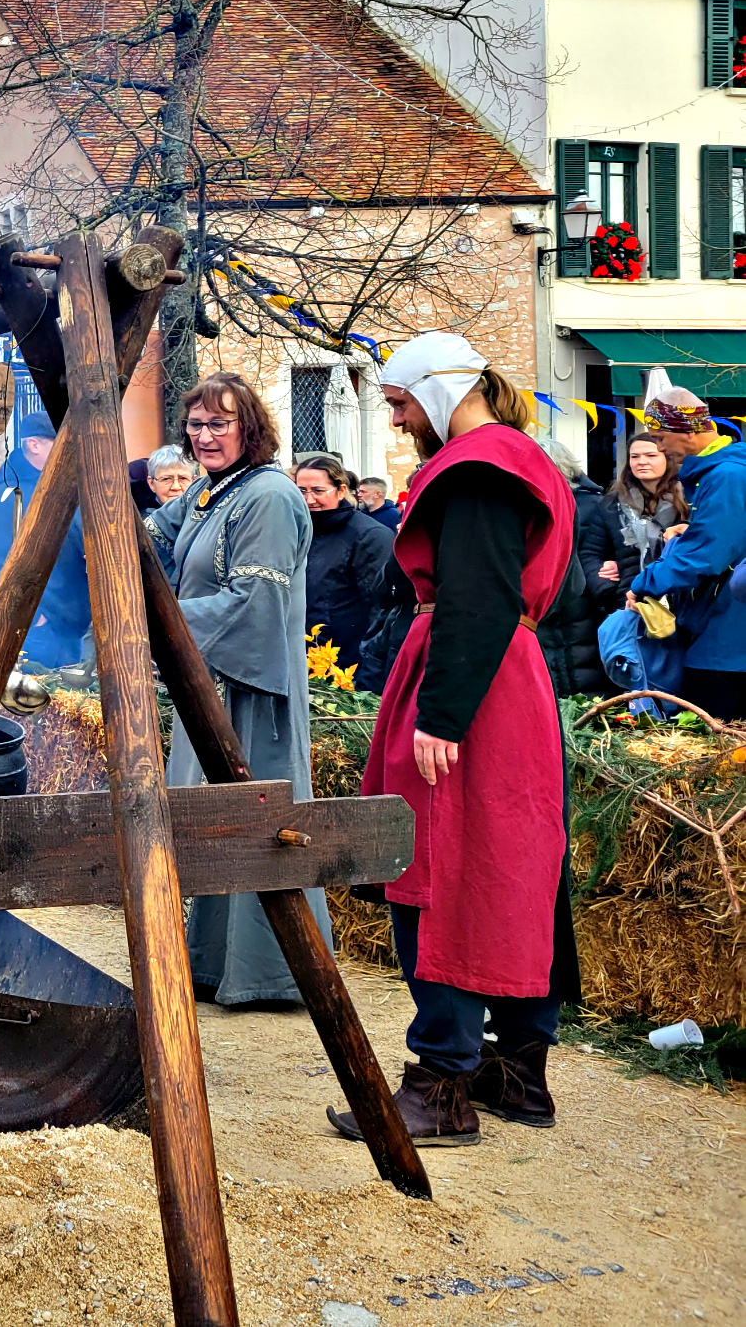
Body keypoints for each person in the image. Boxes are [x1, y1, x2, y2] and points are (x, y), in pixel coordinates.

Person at [332, 332, 575, 1146]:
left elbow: (475, 590)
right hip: (504, 680)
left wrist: (442, 712)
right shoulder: (521, 459)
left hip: (471, 682)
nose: (397, 422)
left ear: (437, 390)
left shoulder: (478, 467)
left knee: (442, 865)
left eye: (399, 403)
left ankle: (439, 1085)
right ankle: (516, 1070)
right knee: (511, 864)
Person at [152, 374, 326, 1007]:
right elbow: (155, 536)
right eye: (195, 425)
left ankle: (272, 975)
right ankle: (213, 964)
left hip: (251, 686)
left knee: (258, 819)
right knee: (210, 817)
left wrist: (164, 623)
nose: (204, 436)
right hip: (210, 677)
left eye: (219, 424)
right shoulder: (209, 489)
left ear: (248, 428)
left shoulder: (271, 495)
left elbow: (257, 603)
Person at [627, 390, 746, 722]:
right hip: (725, 628)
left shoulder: (726, 476)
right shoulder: (726, 471)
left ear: (691, 431)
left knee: (707, 746)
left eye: (662, 438)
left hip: (728, 638)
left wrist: (644, 583)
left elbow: (707, 554)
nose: (660, 448)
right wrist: (690, 529)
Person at [0, 412, 90, 670]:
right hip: (37, 633)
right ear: (34, 445)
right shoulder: (9, 495)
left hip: (70, 630)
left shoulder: (63, 486)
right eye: (63, 443)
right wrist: (32, 615)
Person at [293, 453, 392, 671]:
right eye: (301, 491)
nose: (309, 500)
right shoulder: (296, 531)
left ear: (341, 491)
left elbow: (381, 610)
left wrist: (370, 672)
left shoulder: (369, 536)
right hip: (302, 657)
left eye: (318, 491)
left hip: (347, 664)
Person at [531, 437, 614, 698]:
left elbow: (599, 552)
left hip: (580, 602)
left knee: (581, 670)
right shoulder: (531, 505)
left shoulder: (590, 505)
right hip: (555, 602)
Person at [600, 432, 688, 599]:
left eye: (651, 455)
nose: (642, 462)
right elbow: (592, 552)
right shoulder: (612, 503)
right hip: (628, 598)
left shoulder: (690, 497)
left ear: (667, 458)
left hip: (680, 596)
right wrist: (606, 586)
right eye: (635, 456)